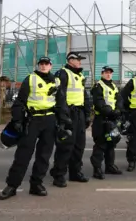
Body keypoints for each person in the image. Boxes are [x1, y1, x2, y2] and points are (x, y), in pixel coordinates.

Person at [0, 56, 71, 200]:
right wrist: (18, 120)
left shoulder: (56, 81)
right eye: (41, 64)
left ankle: (36, 184)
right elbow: (20, 101)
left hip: (50, 120)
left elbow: (61, 102)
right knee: (23, 154)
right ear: (38, 65)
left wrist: (63, 121)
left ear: (51, 66)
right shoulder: (30, 79)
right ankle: (12, 185)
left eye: (46, 64)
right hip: (32, 120)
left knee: (44, 155)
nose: (44, 66)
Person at [49, 52, 92, 187]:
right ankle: (59, 175)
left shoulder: (79, 75)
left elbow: (84, 96)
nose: (80, 62)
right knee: (66, 145)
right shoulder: (63, 73)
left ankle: (75, 172)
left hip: (79, 113)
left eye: (80, 59)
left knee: (79, 145)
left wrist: (87, 114)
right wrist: (63, 116)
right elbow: (59, 96)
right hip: (68, 113)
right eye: (78, 59)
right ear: (70, 60)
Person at [90, 66, 124, 179]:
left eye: (110, 73)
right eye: (106, 72)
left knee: (111, 143)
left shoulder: (114, 86)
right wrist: (111, 112)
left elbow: (119, 100)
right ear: (102, 73)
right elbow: (99, 102)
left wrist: (118, 110)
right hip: (101, 119)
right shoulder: (98, 86)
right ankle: (97, 169)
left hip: (112, 120)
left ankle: (110, 166)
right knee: (100, 144)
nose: (108, 74)